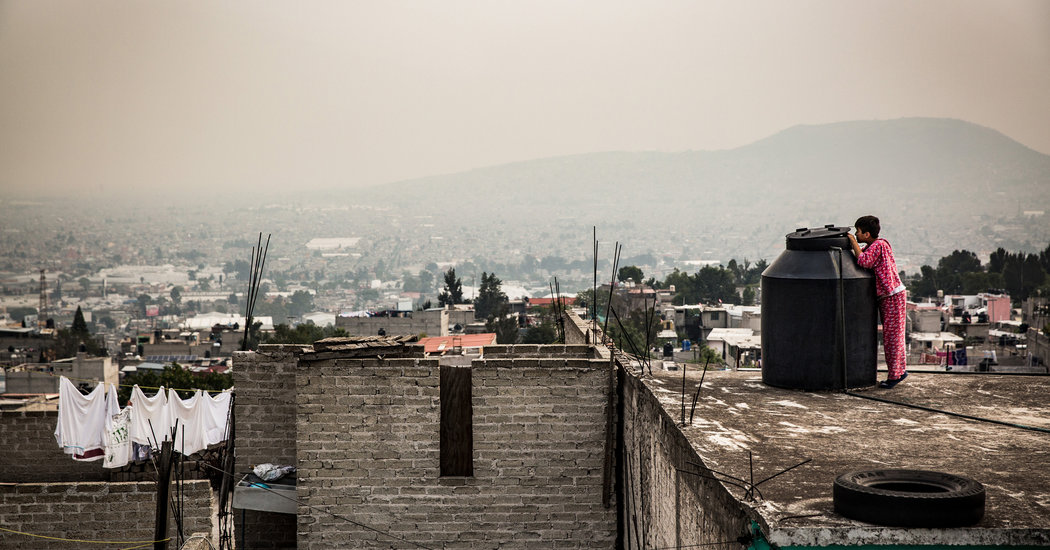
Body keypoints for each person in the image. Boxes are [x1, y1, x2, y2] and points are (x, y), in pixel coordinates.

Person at [848, 215, 908, 388]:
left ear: (866, 234)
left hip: (892, 296)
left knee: (892, 337)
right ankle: (899, 371)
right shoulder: (877, 245)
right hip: (890, 296)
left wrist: (852, 242)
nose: (856, 234)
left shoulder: (878, 246)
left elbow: (863, 261)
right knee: (895, 335)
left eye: (858, 232)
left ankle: (895, 375)